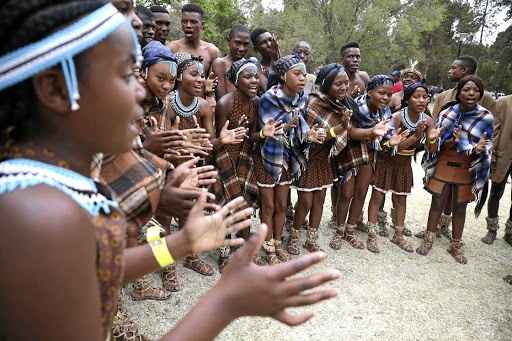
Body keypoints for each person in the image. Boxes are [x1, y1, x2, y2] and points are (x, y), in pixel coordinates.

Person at [0, 2, 341, 340]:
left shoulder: (53, 181)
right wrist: (225, 302)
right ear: (57, 89)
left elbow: (99, 269)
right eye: (125, 74)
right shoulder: (36, 218)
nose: (140, 90)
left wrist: (181, 243)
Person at [254, 54, 325, 264]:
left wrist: (308, 135)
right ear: (284, 76)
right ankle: (268, 249)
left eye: (304, 74)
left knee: (282, 205)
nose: (302, 78)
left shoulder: (301, 98)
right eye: (297, 74)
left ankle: (276, 243)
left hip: (287, 156)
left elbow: (300, 125)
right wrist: (284, 129)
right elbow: (269, 129)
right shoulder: (269, 97)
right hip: (269, 157)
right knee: (268, 206)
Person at [417, 55, 496, 241]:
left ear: (481, 94)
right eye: (467, 90)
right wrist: (450, 141)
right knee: (437, 201)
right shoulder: (447, 113)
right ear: (458, 92)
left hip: (467, 165)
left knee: (460, 206)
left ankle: (456, 244)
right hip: (445, 161)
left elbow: (486, 149)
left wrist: (476, 149)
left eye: (476, 91)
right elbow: (436, 144)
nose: (471, 94)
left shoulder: (486, 118)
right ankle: (429, 238)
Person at [328, 75, 406, 252]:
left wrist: (390, 142)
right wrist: (372, 132)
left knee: (361, 193)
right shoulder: (355, 106)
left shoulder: (385, 113)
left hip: (370, 154)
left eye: (389, 94)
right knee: (346, 193)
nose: (385, 98)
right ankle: (339, 231)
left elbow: (384, 140)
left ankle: (350, 230)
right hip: (350, 152)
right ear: (369, 92)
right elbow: (350, 132)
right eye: (381, 93)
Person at [210, 57, 268, 270]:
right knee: (226, 205)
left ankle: (245, 248)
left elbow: (250, 136)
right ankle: (224, 251)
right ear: (235, 81)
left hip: (243, 155)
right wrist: (228, 137)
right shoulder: (225, 103)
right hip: (224, 156)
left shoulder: (256, 103)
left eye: (255, 76)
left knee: (244, 203)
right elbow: (218, 139)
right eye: (247, 76)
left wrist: (263, 133)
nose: (254, 81)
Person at [288, 63, 351, 256]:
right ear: (325, 85)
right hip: (308, 157)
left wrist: (343, 126)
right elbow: (312, 134)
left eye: (346, 83)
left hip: (324, 159)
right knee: (305, 201)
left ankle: (311, 240)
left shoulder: (341, 106)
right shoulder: (314, 102)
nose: (343, 88)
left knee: (319, 201)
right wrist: (341, 127)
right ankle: (293, 237)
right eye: (337, 84)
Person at [366, 83, 436, 253]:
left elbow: (432, 150)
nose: (421, 101)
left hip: (404, 163)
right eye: (416, 97)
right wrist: (416, 137)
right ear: (406, 99)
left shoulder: (427, 120)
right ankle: (371, 235)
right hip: (388, 160)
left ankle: (398, 235)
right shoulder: (396, 117)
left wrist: (432, 139)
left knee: (401, 199)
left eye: (425, 97)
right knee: (377, 197)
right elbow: (389, 147)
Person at [167, 4, 220, 101]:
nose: (188, 25)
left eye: (193, 22)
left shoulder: (211, 51)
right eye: (184, 21)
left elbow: (211, 83)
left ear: (202, 24)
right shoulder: (172, 48)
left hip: (202, 108)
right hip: (174, 106)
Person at [482, 94, 512, 245]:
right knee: (496, 193)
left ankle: (510, 232)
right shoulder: (502, 103)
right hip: (502, 156)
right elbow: (494, 131)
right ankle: (491, 230)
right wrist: (491, 156)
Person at [211, 24, 251, 100]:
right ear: (228, 41)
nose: (242, 49)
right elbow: (221, 99)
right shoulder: (220, 64)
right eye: (237, 43)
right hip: (227, 110)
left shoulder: (249, 65)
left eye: (246, 44)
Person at [250, 27, 281, 93]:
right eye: (263, 43)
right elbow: (270, 92)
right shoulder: (256, 69)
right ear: (256, 49)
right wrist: (274, 58)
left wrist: (279, 56)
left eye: (271, 40)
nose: (269, 44)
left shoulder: (286, 62)